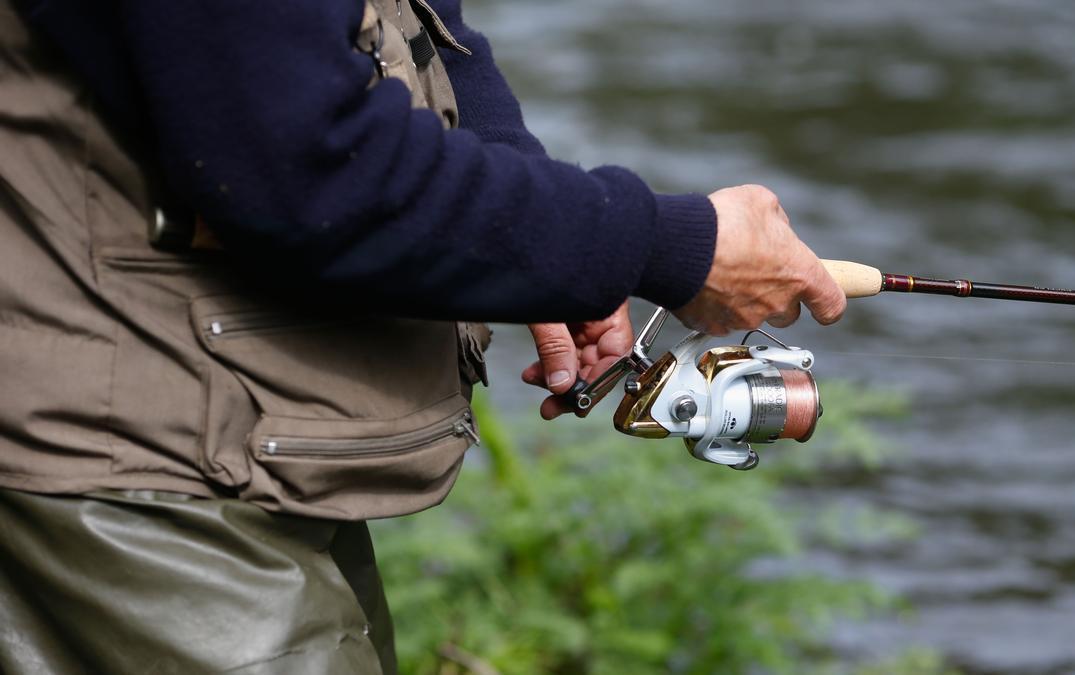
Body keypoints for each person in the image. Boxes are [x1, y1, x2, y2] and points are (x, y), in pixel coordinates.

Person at [0, 0, 846, 672]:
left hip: (241, 437)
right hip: (127, 460)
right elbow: (306, 169)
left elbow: (409, 20)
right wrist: (662, 245)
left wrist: (534, 235)